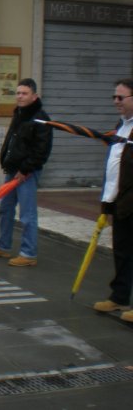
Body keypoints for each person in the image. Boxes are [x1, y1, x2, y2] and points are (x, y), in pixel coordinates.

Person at [0, 78, 52, 267]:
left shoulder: (40, 117)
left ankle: (29, 253)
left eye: (24, 93)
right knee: (5, 208)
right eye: (18, 93)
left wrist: (26, 169)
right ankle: (3, 246)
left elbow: (42, 149)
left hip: (26, 173)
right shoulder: (19, 114)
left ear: (34, 96)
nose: (20, 96)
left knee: (27, 214)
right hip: (12, 170)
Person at [93, 78, 133, 322]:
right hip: (120, 202)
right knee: (122, 252)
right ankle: (119, 297)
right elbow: (114, 166)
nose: (116, 101)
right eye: (114, 97)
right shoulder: (121, 125)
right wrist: (107, 204)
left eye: (121, 97)